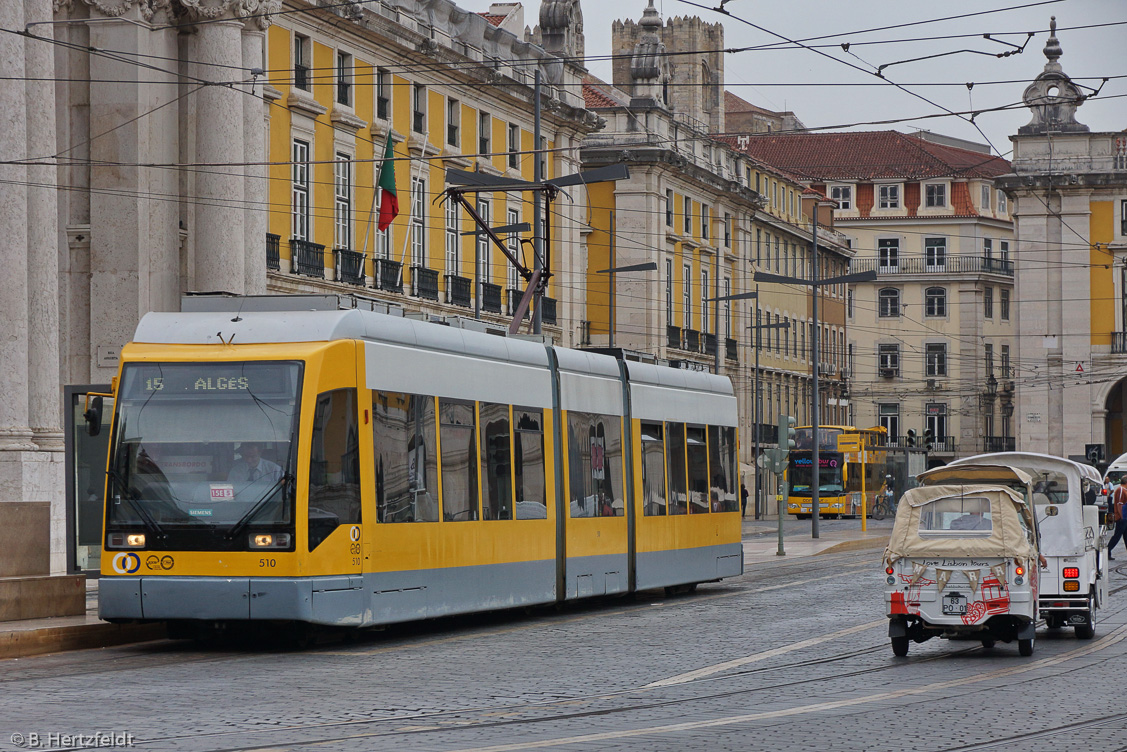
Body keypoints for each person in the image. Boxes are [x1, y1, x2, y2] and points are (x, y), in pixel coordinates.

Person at [1107, 476, 1127, 561]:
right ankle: (1107, 551)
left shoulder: (1123, 490)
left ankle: (1108, 551)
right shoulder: (1121, 490)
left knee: (1126, 536)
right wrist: (1121, 516)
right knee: (1117, 535)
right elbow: (1119, 504)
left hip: (1124, 517)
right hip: (1122, 517)